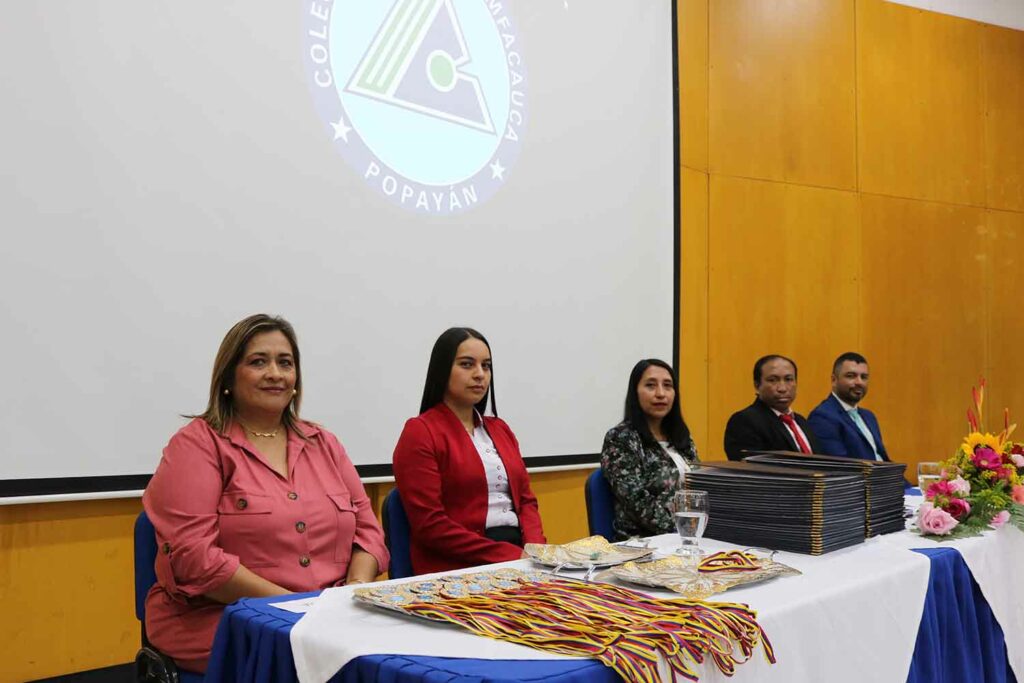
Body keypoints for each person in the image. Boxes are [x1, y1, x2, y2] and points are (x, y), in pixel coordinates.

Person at [143, 314, 388, 672]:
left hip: (328, 616)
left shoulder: (325, 443)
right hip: (225, 620)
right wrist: (298, 611)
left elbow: (369, 533)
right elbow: (194, 560)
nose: (275, 373)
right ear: (228, 377)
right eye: (259, 362)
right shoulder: (196, 445)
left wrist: (351, 592)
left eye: (285, 363)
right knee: (326, 662)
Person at [392, 327, 545, 574]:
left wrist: (536, 550)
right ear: (442, 370)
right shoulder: (420, 432)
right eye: (467, 365)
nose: (479, 374)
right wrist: (512, 556)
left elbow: (526, 501)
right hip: (459, 568)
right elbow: (431, 526)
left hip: (522, 559)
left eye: (486, 366)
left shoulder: (500, 429)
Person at [600, 359, 700, 540]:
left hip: (686, 538)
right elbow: (636, 502)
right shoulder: (621, 438)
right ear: (635, 392)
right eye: (651, 385)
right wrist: (684, 530)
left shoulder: (682, 437)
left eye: (667, 386)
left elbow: (698, 489)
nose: (661, 393)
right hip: (644, 543)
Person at [723, 354, 821, 461]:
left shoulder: (800, 421)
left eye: (788, 379)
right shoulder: (744, 421)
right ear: (757, 386)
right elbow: (750, 468)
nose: (782, 388)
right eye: (773, 380)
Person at [808, 352, 891, 461]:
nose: (859, 382)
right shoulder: (822, 417)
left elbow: (883, 459)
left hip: (884, 475)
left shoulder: (869, 416)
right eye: (851, 376)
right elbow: (841, 467)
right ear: (834, 380)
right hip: (860, 477)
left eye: (864, 377)